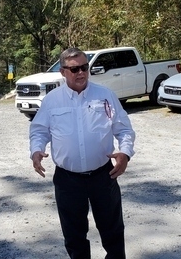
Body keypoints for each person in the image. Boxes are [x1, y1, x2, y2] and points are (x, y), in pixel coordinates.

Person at [30, 48, 135, 259]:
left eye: (84, 67)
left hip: (103, 176)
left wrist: (125, 153)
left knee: (113, 233)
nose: (81, 73)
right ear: (62, 72)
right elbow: (39, 131)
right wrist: (36, 151)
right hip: (67, 180)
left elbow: (124, 130)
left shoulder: (105, 96)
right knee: (74, 237)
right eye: (74, 69)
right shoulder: (52, 101)